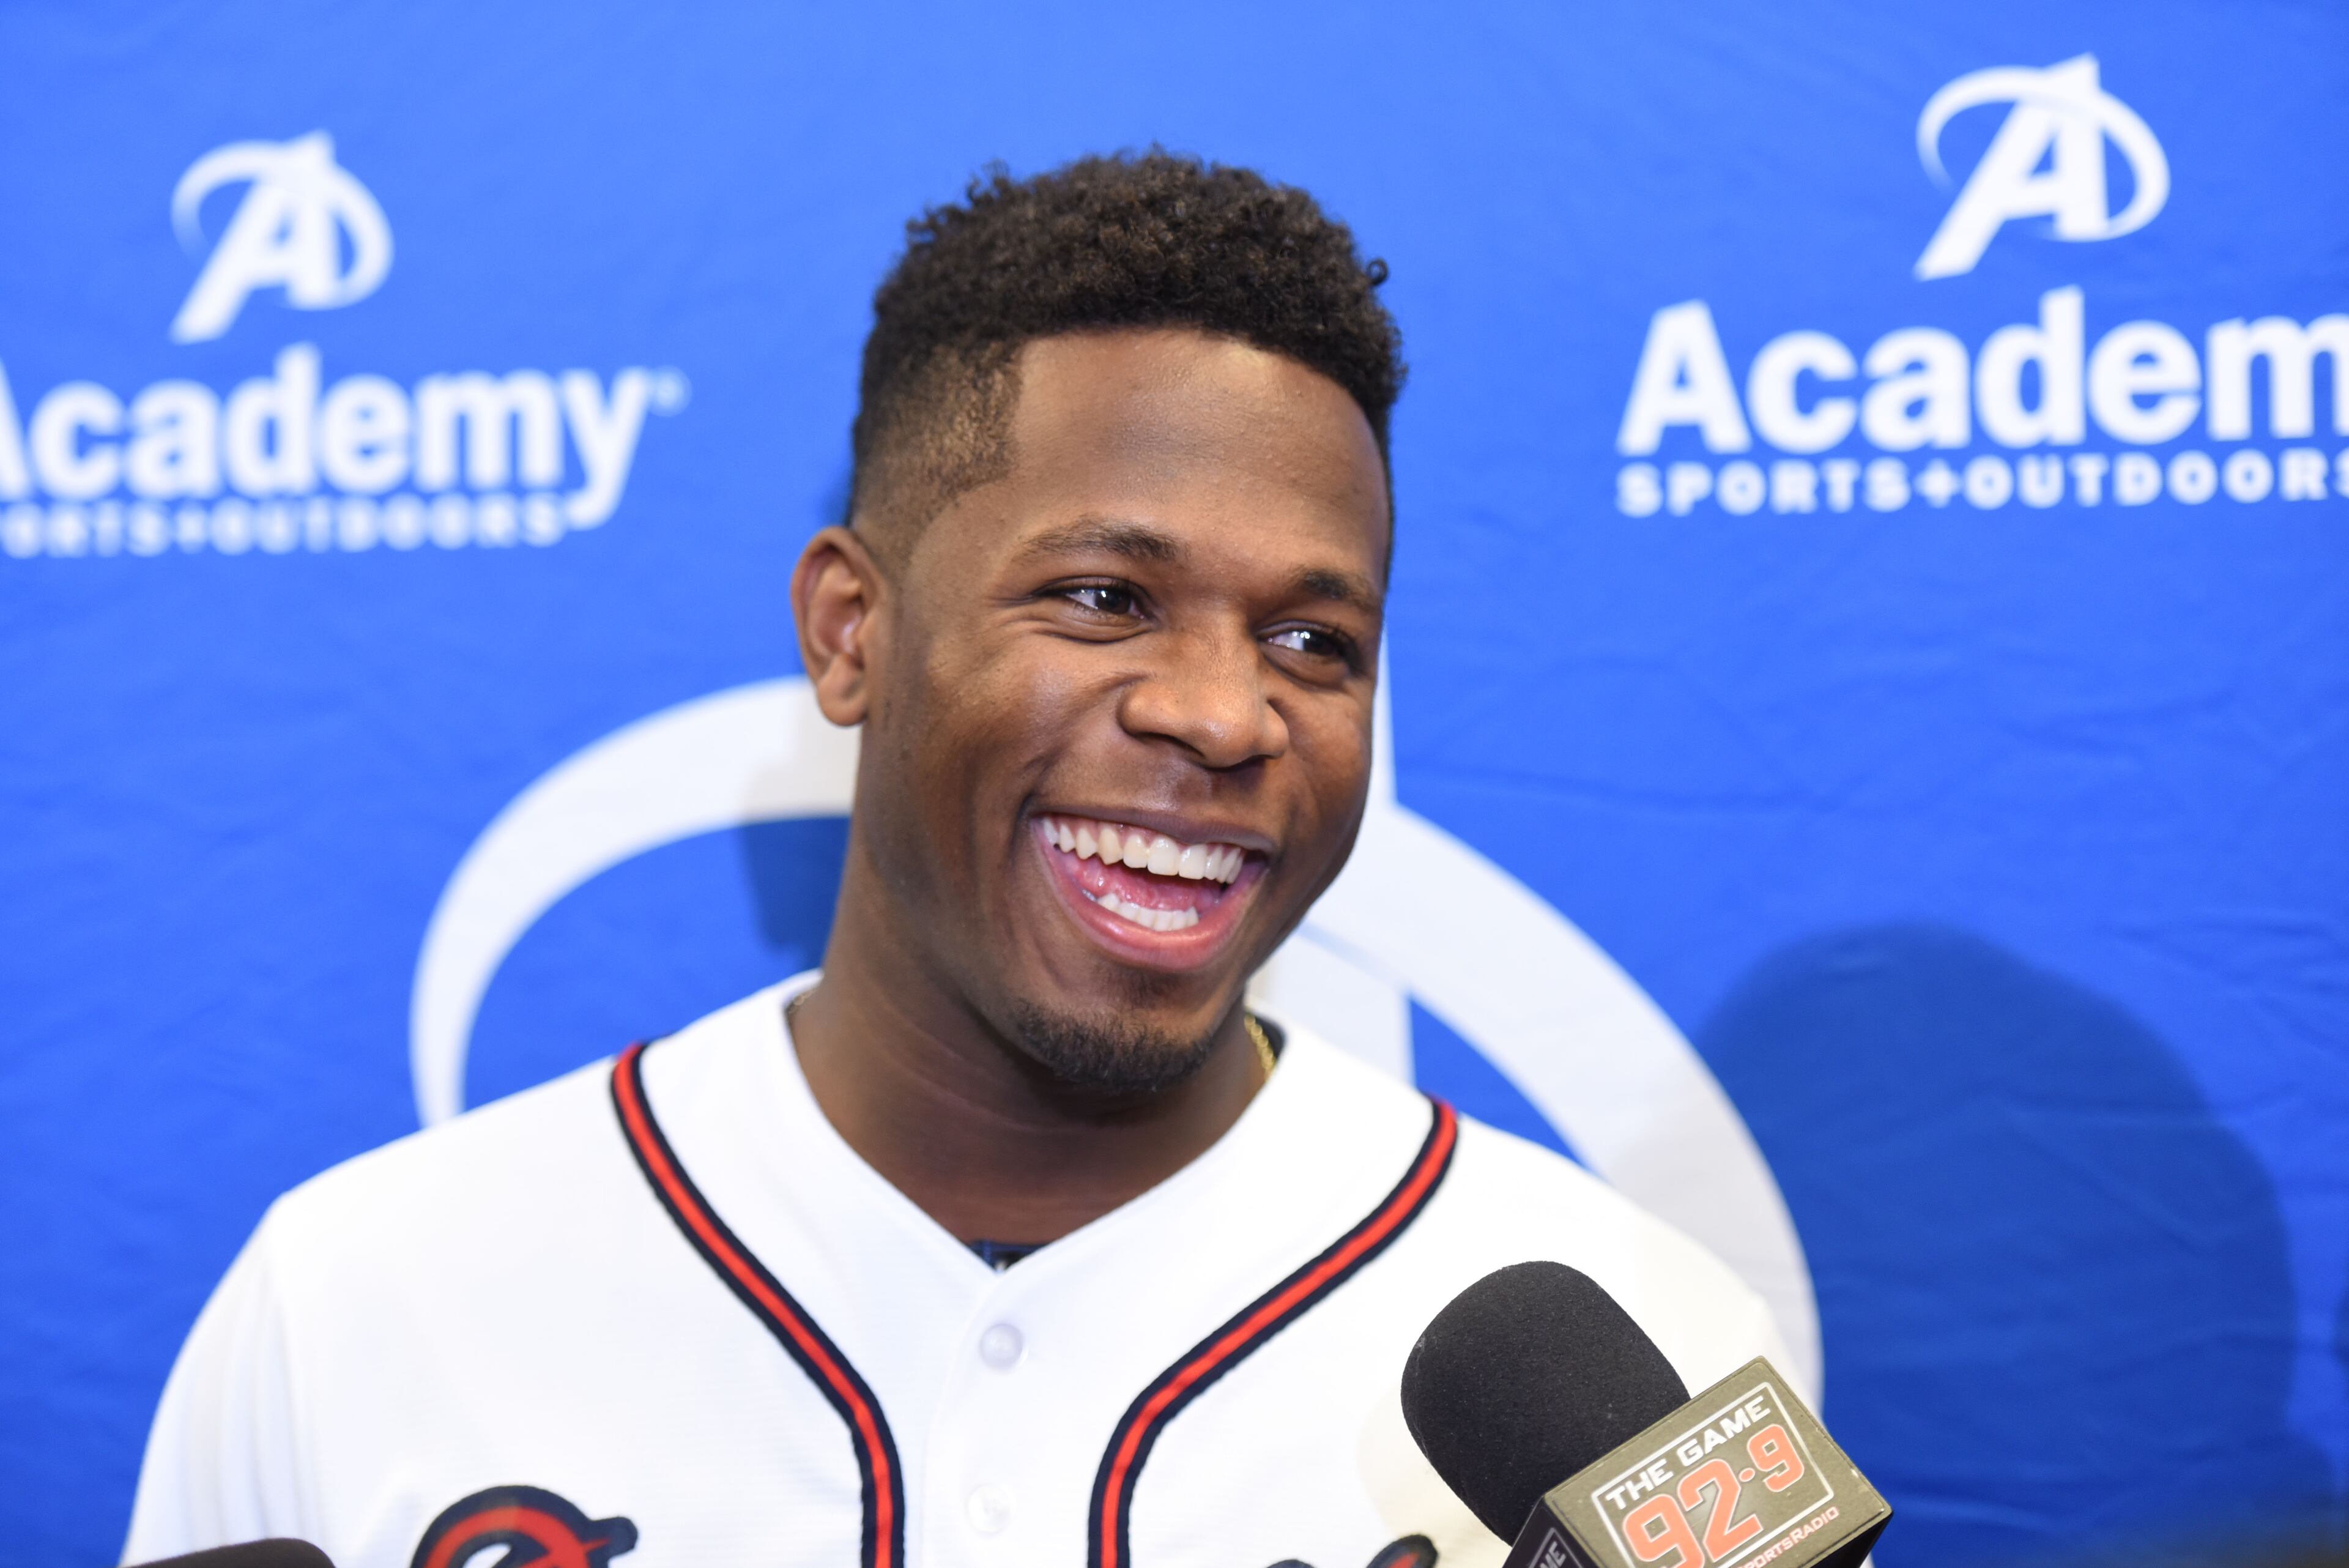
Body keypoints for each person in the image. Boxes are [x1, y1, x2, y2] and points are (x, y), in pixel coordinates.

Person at [125, 152, 1787, 1568]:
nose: (1226, 714)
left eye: (1313, 638)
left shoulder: (1649, 1369)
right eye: (1104, 598)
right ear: (852, 631)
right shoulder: (356, 1301)